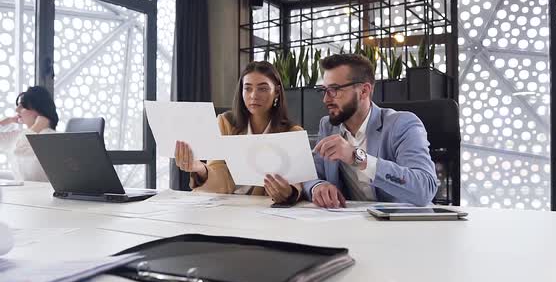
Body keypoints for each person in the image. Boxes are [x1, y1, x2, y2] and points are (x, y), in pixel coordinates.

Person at [303, 54, 437, 208]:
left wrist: (356, 157)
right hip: (353, 223)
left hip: (402, 224)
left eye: (334, 90)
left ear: (364, 91)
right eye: (324, 90)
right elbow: (310, 174)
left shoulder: (402, 124)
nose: (326, 99)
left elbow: (424, 188)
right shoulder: (328, 126)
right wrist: (317, 186)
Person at [175, 61, 303, 204]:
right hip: (220, 205)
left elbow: (298, 183)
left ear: (277, 92)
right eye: (247, 88)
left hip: (260, 212)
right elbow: (218, 171)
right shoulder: (225, 123)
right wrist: (200, 168)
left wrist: (288, 192)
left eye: (263, 89)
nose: (254, 95)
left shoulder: (292, 133)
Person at [0, 86, 59, 181]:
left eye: (22, 106)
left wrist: (36, 127)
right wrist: (6, 121)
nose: (17, 110)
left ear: (38, 110)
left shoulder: (53, 139)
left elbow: (19, 150)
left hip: (41, 194)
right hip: (19, 194)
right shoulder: (17, 136)